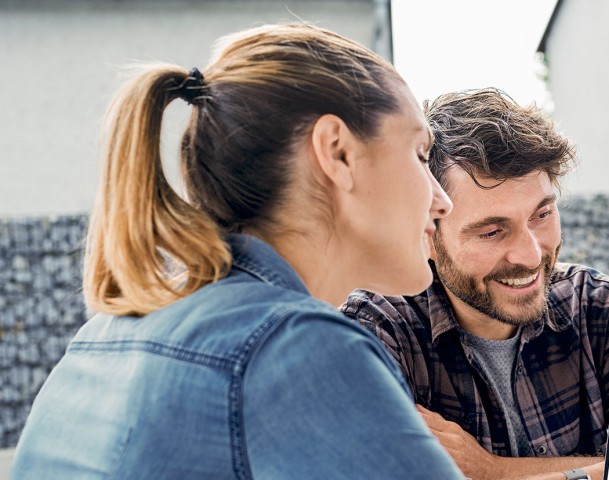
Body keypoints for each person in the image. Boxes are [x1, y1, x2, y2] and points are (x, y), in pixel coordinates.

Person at [11, 23, 465, 478]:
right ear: (337, 152)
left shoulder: (102, 334)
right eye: (421, 154)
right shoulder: (299, 348)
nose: (441, 201)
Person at [341, 88, 609, 480]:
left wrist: (494, 472)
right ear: (427, 234)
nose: (530, 255)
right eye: (491, 231)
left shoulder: (596, 305)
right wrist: (601, 469)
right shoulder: (378, 330)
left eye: (542, 214)